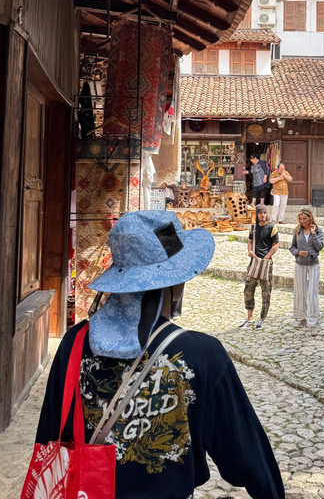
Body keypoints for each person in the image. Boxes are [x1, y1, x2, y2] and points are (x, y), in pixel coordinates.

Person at [35, 211, 285, 499]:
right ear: (176, 283)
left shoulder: (74, 343)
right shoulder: (202, 355)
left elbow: (49, 438)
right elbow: (247, 455)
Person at [240, 203, 279, 329]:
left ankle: (262, 318)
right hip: (254, 262)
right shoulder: (253, 227)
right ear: (257, 214)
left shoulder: (272, 227)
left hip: (266, 263)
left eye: (264, 213)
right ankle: (250, 317)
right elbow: (250, 240)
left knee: (265, 291)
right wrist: (249, 251)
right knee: (248, 288)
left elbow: (275, 245)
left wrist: (266, 257)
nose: (263, 215)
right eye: (261, 213)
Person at [290, 208, 324, 336]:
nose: (302, 221)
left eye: (305, 218)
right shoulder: (297, 231)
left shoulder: (318, 230)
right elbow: (292, 247)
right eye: (301, 219)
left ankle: (313, 323)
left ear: (310, 218)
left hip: (313, 264)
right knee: (300, 293)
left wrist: (314, 234)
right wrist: (298, 252)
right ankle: (302, 318)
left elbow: (320, 247)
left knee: (312, 294)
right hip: (300, 264)